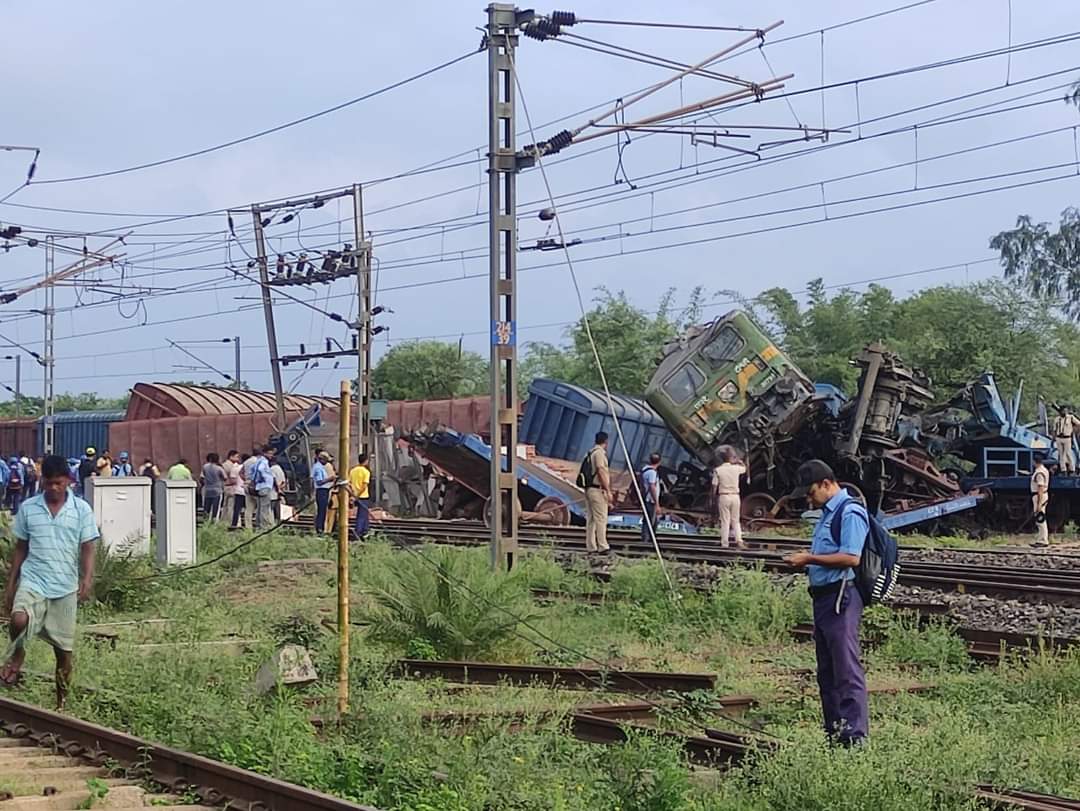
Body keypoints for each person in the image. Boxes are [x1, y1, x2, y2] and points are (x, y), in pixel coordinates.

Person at [1, 455, 99, 708]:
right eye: (49, 483)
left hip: (65, 587)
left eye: (58, 483)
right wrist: (11, 585)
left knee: (63, 652)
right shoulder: (29, 508)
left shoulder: (81, 510)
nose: (53, 488)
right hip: (34, 580)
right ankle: (18, 652)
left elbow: (88, 547)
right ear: (41, 481)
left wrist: (86, 579)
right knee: (19, 618)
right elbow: (21, 547)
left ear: (68, 481)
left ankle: (61, 704)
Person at [783, 459, 870, 747]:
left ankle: (855, 737)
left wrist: (808, 558)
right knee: (828, 671)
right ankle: (835, 733)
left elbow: (851, 557)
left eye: (810, 493)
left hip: (841, 597)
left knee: (846, 669)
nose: (808, 499)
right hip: (824, 598)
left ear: (826, 484)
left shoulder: (850, 512)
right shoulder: (826, 513)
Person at [581, 432, 612, 557]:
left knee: (591, 519)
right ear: (606, 441)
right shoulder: (599, 453)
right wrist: (607, 489)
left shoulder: (590, 452)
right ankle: (603, 546)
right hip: (597, 490)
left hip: (589, 489)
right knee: (601, 518)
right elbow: (600, 470)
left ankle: (591, 546)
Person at [712, 447, 747, 549]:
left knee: (725, 521)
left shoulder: (718, 470)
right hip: (735, 497)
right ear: (730, 458)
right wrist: (739, 461)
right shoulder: (736, 468)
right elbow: (744, 469)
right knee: (735, 520)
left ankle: (725, 543)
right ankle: (739, 541)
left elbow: (714, 486)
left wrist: (713, 499)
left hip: (724, 496)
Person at [251, 445, 276, 529]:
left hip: (259, 486)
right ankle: (264, 526)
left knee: (259, 507)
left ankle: (258, 525)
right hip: (265, 486)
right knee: (264, 507)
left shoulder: (258, 460)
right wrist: (265, 477)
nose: (271, 455)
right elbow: (260, 470)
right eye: (269, 453)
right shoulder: (264, 462)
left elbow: (252, 469)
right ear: (265, 453)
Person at [639, 453, 661, 544]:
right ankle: (648, 540)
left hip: (646, 498)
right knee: (650, 520)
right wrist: (657, 503)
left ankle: (648, 538)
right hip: (651, 500)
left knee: (649, 519)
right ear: (659, 462)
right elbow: (652, 487)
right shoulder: (652, 472)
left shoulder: (644, 470)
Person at [349, 452, 372, 541]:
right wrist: (357, 495)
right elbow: (364, 486)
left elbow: (349, 483)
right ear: (366, 461)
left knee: (365, 514)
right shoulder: (366, 472)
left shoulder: (353, 470)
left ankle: (366, 530)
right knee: (361, 515)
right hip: (363, 496)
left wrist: (352, 495)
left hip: (354, 494)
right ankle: (358, 532)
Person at [1053, 408, 1080, 475]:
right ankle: (1063, 470)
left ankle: (1072, 469)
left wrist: (1074, 431)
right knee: (1061, 454)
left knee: (1068, 453)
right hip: (1059, 437)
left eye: (1065, 411)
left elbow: (1078, 424)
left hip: (1067, 438)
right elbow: (1054, 429)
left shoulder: (1070, 417)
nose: (1064, 412)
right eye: (1063, 411)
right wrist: (1053, 438)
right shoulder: (1057, 419)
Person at [1031, 453, 1050, 547]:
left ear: (1034, 461)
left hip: (1039, 496)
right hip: (1042, 495)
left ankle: (1043, 540)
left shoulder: (1039, 472)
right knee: (1040, 518)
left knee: (1040, 518)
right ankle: (1041, 538)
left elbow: (1040, 487)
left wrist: (1039, 503)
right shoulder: (1044, 470)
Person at [200, 453, 226, 521]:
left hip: (207, 490)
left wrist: (205, 483)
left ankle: (205, 521)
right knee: (216, 508)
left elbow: (201, 478)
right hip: (217, 490)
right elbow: (225, 477)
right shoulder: (219, 468)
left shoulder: (205, 467)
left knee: (206, 508)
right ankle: (214, 522)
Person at [312, 451, 333, 534]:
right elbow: (319, 482)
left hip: (324, 490)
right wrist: (330, 479)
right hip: (321, 491)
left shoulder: (321, 467)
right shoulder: (318, 468)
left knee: (323, 511)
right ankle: (319, 529)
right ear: (322, 459)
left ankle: (321, 528)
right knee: (321, 511)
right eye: (326, 460)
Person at [222, 450, 243, 530]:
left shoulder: (224, 465)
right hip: (233, 488)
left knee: (225, 506)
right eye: (236, 457)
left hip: (226, 488)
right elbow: (233, 479)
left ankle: (224, 522)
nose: (238, 459)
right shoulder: (233, 466)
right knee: (232, 506)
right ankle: (233, 522)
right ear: (231, 456)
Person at [241, 449, 260, 530]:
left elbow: (240, 473)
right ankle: (259, 525)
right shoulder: (259, 461)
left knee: (249, 507)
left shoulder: (246, 462)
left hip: (246, 484)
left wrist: (245, 479)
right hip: (255, 485)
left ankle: (248, 526)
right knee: (260, 506)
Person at [270, 456, 287, 522]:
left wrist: (277, 489)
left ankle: (272, 523)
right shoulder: (280, 469)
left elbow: (273, 480)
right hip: (279, 493)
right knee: (278, 510)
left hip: (273, 493)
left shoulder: (272, 469)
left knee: (271, 509)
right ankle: (278, 522)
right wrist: (281, 489)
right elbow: (284, 481)